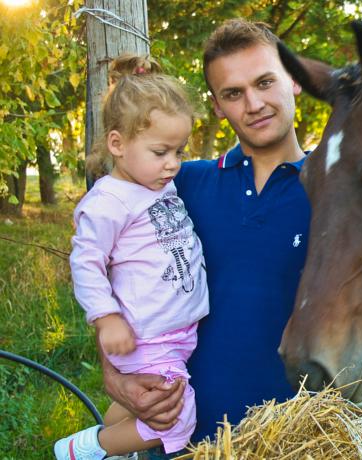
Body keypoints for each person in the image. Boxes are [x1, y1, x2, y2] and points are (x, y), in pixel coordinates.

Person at [99, 19, 362, 455]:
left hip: (288, 443)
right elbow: (116, 281)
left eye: (264, 82)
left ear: (294, 83)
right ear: (218, 106)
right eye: (233, 93)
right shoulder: (183, 186)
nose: (253, 103)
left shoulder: (339, 195)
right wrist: (115, 377)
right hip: (180, 442)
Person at [54, 55, 207, 459]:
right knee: (176, 415)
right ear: (117, 144)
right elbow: (86, 261)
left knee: (136, 400)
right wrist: (106, 318)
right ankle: (85, 449)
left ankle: (116, 438)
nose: (173, 163)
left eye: (178, 150)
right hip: (146, 334)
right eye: (160, 151)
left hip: (173, 333)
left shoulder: (155, 183)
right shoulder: (109, 201)